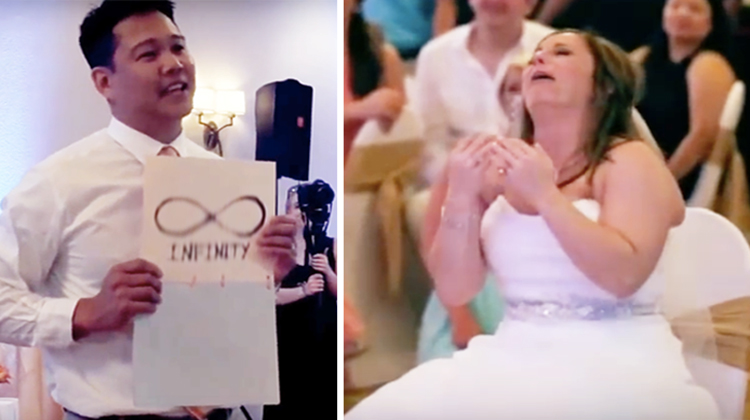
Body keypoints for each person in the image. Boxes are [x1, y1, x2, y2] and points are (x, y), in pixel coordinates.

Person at [344, 29, 721, 419]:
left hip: (616, 358)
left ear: (604, 87)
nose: (539, 59)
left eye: (561, 53)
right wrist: (461, 197)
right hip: (513, 350)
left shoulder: (628, 160)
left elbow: (624, 276)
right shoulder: (499, 169)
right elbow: (456, 288)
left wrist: (546, 197)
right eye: (537, 54)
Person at [0, 1, 298, 419]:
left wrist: (263, 275)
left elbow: (219, 313)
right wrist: (84, 313)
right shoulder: (58, 182)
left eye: (179, 48)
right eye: (149, 54)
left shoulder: (225, 180)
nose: (174, 64)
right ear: (104, 82)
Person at [413, 0, 553, 364]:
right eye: (509, 93)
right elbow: (427, 143)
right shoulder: (436, 55)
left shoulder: (553, 46)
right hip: (473, 282)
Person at [633, 0, 737, 201]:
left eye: (694, 9)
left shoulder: (708, 64)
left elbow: (702, 136)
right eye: (675, 6)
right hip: (641, 161)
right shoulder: (646, 56)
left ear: (711, 23)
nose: (682, 14)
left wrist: (663, 180)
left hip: (677, 173)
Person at [265, 182, 337, 420]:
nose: (288, 212)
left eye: (294, 207)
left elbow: (344, 294)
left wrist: (328, 271)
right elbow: (268, 297)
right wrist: (303, 290)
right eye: (287, 206)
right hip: (287, 342)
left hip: (322, 343)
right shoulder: (278, 248)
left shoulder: (330, 246)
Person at [343, 0, 406, 164]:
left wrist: (392, 108)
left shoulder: (381, 55)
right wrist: (357, 110)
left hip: (364, 178)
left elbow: (401, 133)